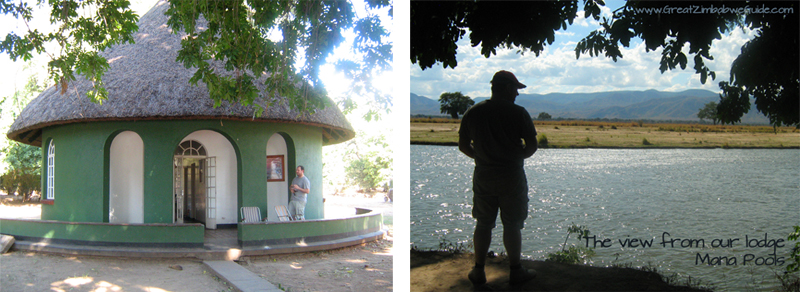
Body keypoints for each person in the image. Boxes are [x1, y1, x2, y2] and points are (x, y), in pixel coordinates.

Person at [458, 70, 539, 288]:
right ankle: (515, 271)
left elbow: (464, 146)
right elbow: (532, 146)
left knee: (483, 222)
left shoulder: (473, 112)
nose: (517, 94)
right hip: (511, 177)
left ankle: (478, 271)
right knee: (512, 224)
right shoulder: (519, 113)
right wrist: (514, 156)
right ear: (505, 88)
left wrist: (483, 157)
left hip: (483, 175)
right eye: (515, 89)